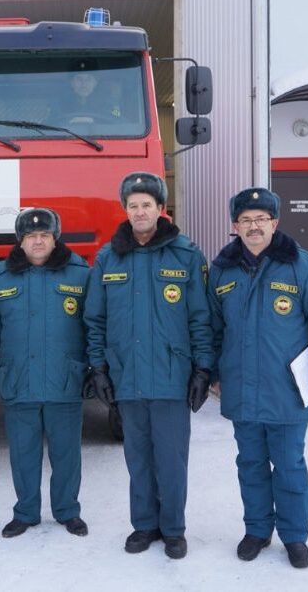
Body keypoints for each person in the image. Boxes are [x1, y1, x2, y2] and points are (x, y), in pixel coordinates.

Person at [209, 187, 308, 569]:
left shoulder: (303, 265)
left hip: (288, 389)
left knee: (289, 465)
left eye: (261, 219)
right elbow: (211, 327)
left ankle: (294, 536)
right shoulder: (221, 270)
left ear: (275, 223)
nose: (254, 227)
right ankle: (256, 530)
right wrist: (213, 375)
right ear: (234, 226)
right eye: (246, 220)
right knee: (250, 464)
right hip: (240, 388)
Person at [83, 172, 213, 560]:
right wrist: (99, 368)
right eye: (133, 205)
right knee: (137, 457)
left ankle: (173, 529)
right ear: (125, 210)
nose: (140, 212)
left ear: (161, 209)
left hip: (172, 376)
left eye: (147, 205)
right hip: (127, 376)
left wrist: (203, 369)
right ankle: (144, 525)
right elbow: (95, 320)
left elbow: (200, 318)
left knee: (171, 459)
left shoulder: (186, 254)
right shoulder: (108, 257)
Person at [0, 208, 91, 539]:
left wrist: (97, 369)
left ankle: (67, 510)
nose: (38, 241)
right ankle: (25, 512)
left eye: (44, 235)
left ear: (55, 238)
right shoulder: (1, 277)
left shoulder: (79, 274)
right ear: (20, 241)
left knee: (66, 453)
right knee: (23, 453)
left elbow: (95, 327)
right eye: (30, 236)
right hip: (18, 380)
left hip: (64, 380)